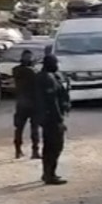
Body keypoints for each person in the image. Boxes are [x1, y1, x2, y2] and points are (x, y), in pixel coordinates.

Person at [34, 55, 71, 185]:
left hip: (47, 118)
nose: (57, 66)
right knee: (54, 146)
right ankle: (49, 174)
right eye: (55, 63)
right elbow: (51, 102)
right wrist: (59, 120)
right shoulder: (46, 79)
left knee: (50, 146)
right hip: (51, 118)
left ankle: (48, 173)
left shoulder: (50, 76)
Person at [11, 50, 41, 159]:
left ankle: (18, 150)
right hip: (33, 103)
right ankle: (35, 151)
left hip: (21, 103)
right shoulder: (33, 72)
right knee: (34, 129)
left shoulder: (16, 70)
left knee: (19, 128)